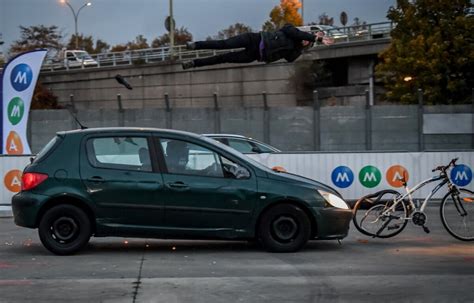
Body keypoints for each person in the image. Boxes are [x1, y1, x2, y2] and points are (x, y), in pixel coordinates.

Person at [181, 24, 333, 69]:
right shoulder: (291, 31)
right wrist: (315, 38)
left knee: (223, 58)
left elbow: (290, 59)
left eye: (310, 43)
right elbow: (295, 33)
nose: (307, 41)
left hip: (254, 56)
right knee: (224, 44)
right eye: (309, 38)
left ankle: (194, 63)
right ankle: (195, 45)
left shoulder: (295, 50)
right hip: (253, 39)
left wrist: (303, 46)